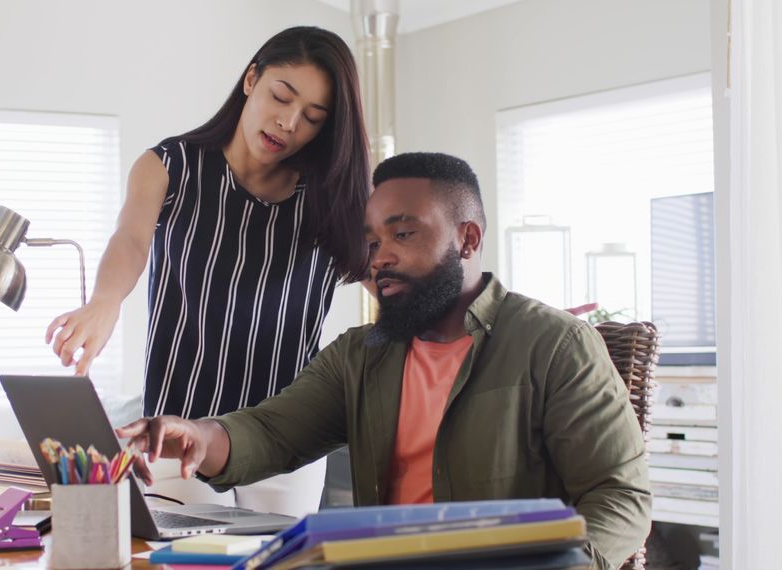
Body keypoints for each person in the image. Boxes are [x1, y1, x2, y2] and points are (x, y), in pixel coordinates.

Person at [117, 152, 652, 570]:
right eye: (372, 241)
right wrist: (199, 437)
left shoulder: (554, 344)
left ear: (467, 239)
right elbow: (274, 431)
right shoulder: (361, 354)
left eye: (403, 233)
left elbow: (620, 497)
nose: (381, 257)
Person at [45, 27, 372, 518]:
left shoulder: (334, 199)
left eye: (312, 117)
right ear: (251, 80)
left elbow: (393, 280)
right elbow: (131, 240)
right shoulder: (169, 165)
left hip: (287, 443)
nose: (287, 123)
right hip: (175, 434)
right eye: (280, 96)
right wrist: (105, 302)